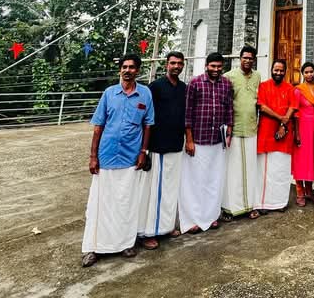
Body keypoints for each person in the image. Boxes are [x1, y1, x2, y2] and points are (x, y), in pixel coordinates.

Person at [81, 54, 154, 268]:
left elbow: (148, 125)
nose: (127, 70)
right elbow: (98, 126)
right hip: (107, 156)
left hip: (131, 157)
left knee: (127, 203)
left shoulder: (145, 94)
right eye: (124, 67)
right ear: (120, 70)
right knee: (99, 203)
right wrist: (93, 156)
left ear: (138, 71)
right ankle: (92, 248)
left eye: (132, 67)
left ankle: (125, 243)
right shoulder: (109, 94)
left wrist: (143, 151)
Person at [178, 52, 233, 234]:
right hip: (198, 140)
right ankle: (193, 219)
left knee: (213, 179)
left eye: (219, 67)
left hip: (217, 140)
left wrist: (229, 130)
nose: (216, 70)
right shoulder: (195, 83)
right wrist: (189, 139)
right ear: (206, 66)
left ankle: (211, 217)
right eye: (213, 66)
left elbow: (229, 109)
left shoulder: (226, 84)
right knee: (195, 181)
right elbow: (187, 112)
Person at [138, 51, 187, 249]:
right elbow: (146, 118)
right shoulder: (155, 87)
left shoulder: (184, 88)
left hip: (176, 145)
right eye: (173, 63)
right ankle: (148, 231)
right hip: (157, 146)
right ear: (166, 64)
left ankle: (166, 227)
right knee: (153, 192)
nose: (176, 66)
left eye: (179, 63)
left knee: (170, 189)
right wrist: (143, 148)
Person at [221, 45, 262, 220]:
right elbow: (224, 104)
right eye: (245, 58)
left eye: (250, 58)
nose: (247, 61)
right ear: (240, 59)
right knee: (232, 171)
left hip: (252, 129)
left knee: (250, 170)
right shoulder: (229, 77)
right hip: (234, 130)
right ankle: (229, 208)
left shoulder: (257, 77)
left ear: (254, 59)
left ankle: (249, 205)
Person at [254, 59, 298, 213]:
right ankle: (263, 203)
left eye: (281, 70)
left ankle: (280, 203)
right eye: (276, 70)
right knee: (264, 171)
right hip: (266, 134)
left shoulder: (290, 88)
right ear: (272, 70)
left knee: (281, 170)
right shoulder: (264, 86)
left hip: (284, 136)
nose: (278, 73)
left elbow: (292, 108)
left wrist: (283, 125)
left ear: (285, 71)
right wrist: (281, 119)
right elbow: (262, 107)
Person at [292, 61, 314, 206]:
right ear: (303, 74)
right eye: (306, 72)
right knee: (300, 160)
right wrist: (296, 133)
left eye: (311, 72)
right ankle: (299, 191)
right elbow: (295, 113)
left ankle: (309, 191)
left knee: (311, 160)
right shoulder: (298, 90)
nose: (309, 74)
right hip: (302, 128)